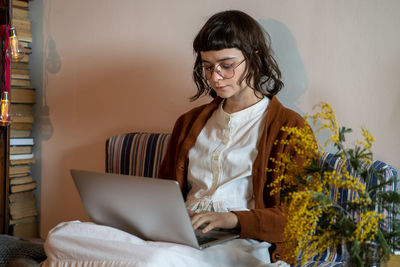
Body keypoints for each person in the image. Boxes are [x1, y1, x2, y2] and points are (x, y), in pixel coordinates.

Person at [44, 10, 307, 266]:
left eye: (227, 66)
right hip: (180, 234)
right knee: (61, 235)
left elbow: (300, 216)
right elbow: (164, 191)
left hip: (239, 242)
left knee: (157, 260)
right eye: (207, 67)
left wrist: (232, 220)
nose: (215, 77)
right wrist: (161, 218)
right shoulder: (189, 123)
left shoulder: (290, 127)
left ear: (255, 57)